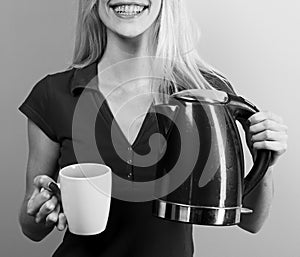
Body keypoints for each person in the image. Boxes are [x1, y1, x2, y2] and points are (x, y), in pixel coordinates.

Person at [18, 0, 288, 256]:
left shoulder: (205, 92)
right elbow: (31, 229)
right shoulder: (52, 95)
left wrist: (264, 160)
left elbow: (251, 222)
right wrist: (42, 207)